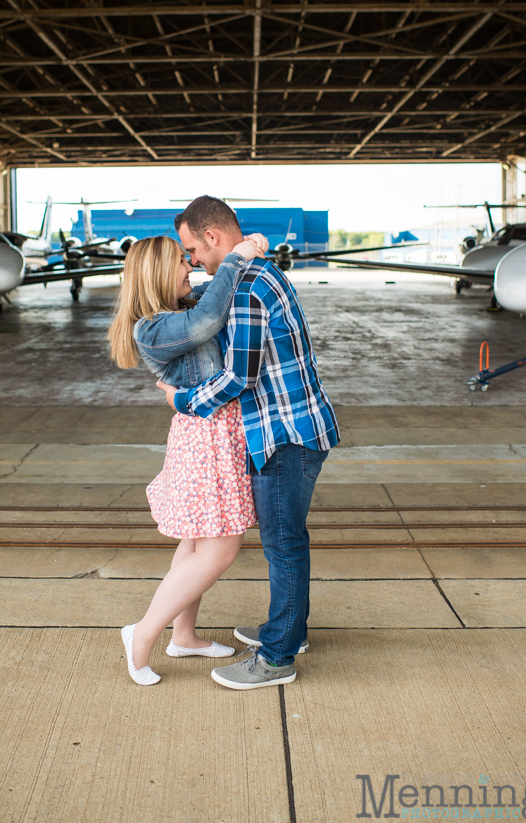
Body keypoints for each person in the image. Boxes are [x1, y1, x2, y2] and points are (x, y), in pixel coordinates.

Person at [157, 195, 340, 691]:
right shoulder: (260, 272)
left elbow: (240, 376)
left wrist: (182, 401)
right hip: (296, 428)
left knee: (283, 545)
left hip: (286, 435)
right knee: (286, 541)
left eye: (191, 248)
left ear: (212, 238)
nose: (191, 259)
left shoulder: (243, 288)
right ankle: (288, 631)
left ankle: (278, 657)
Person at [108, 231, 269, 685]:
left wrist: (243, 252)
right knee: (219, 547)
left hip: (215, 433)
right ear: (158, 272)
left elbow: (214, 293)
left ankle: (184, 635)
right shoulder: (153, 328)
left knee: (198, 541)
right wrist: (237, 256)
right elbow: (211, 314)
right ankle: (142, 634)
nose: (190, 266)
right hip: (206, 440)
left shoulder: (176, 309)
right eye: (181, 261)